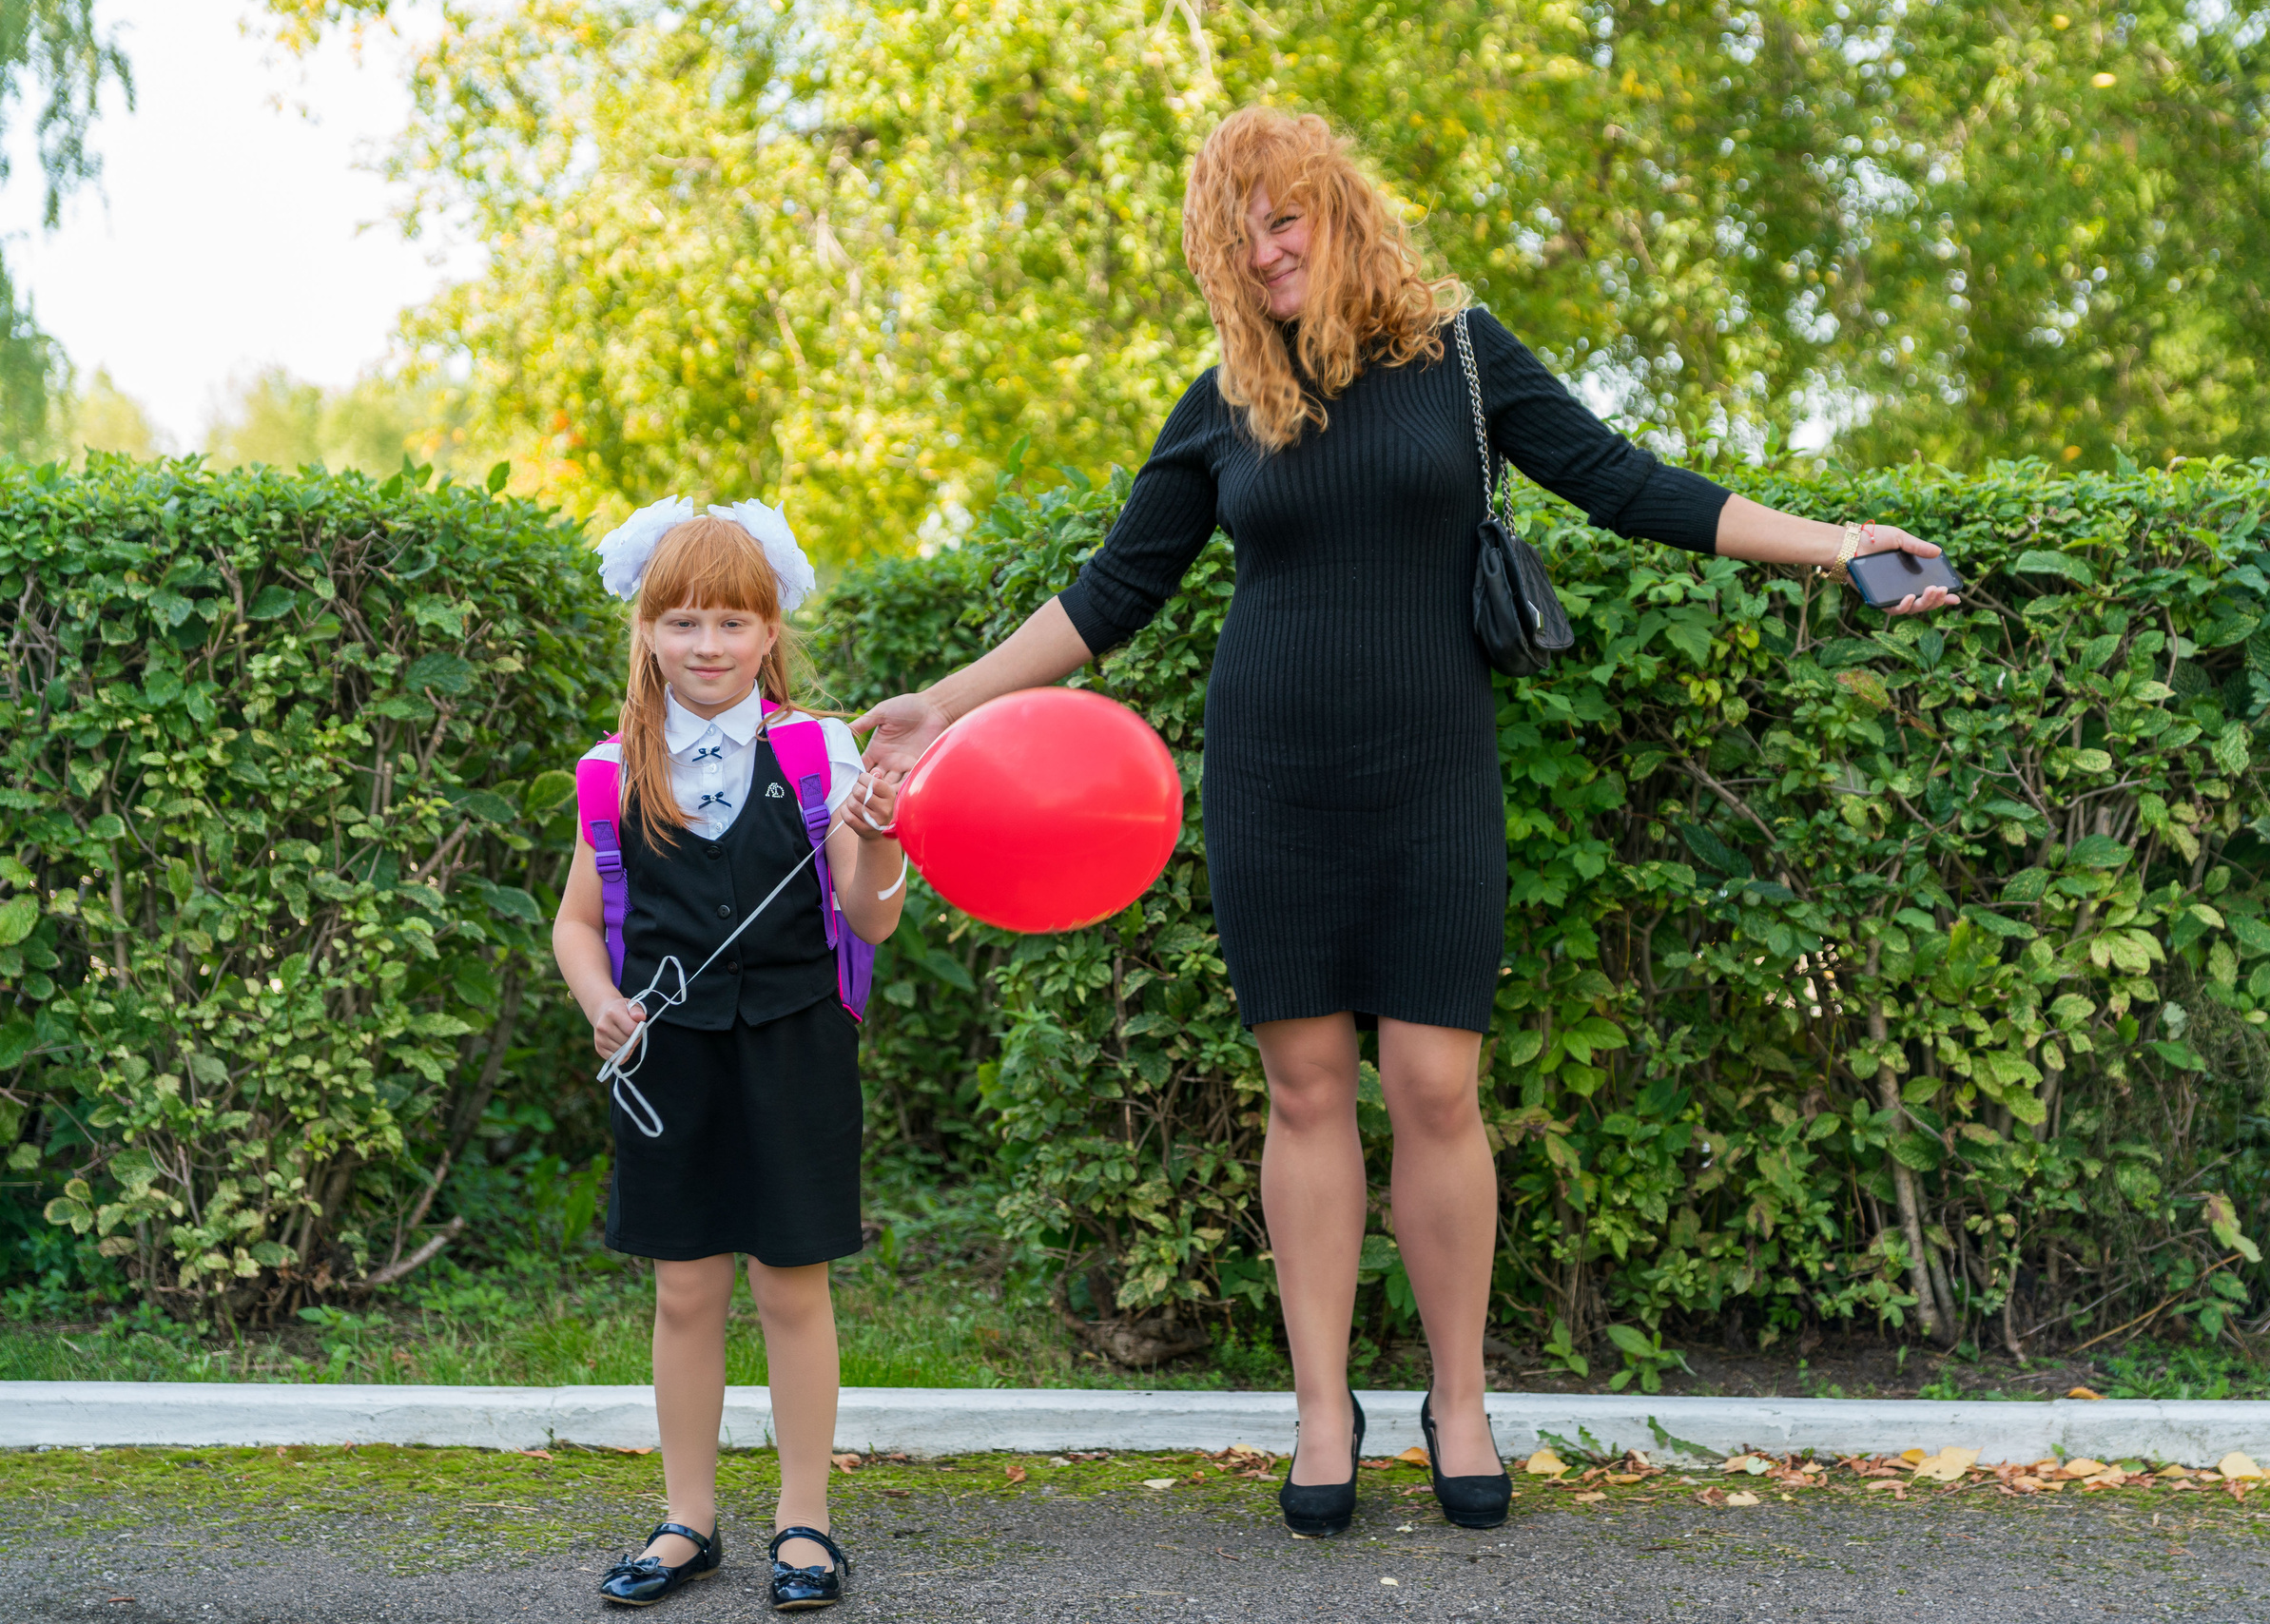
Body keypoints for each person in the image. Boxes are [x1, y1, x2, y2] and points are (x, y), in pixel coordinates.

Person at [855, 107, 1952, 1537]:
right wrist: (938, 704)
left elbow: (1629, 485)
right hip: (1274, 780)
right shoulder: (1225, 404)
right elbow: (1110, 593)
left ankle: (1458, 1397)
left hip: (1433, 771)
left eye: (1286, 217)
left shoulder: (1463, 361)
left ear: (1342, 210)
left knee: (1436, 1086)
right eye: (1237, 237)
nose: (1266, 252)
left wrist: (1836, 543)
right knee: (1305, 1086)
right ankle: (1322, 1410)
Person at [554, 500, 906, 1610]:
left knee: (791, 1288)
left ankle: (804, 1522)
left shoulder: (820, 754)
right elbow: (575, 923)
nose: (707, 646)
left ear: (770, 631)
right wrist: (602, 1000)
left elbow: (872, 916)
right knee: (685, 1291)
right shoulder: (614, 769)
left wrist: (884, 838)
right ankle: (687, 1520)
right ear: (647, 631)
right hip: (670, 1062)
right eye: (684, 621)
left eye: (731, 622)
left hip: (796, 1047)